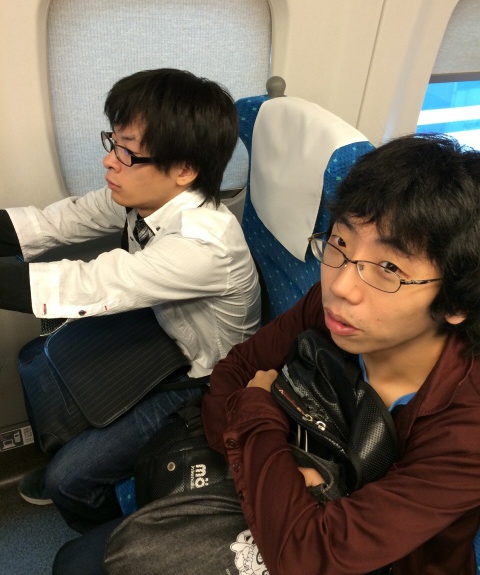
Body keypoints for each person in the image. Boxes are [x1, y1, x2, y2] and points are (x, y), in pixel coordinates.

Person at [53, 133, 480, 575]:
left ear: (456, 302)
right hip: (279, 493)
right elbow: (233, 371)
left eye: (389, 268)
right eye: (340, 243)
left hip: (376, 561)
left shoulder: (466, 426)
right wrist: (283, 472)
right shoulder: (332, 310)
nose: (341, 286)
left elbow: (312, 557)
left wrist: (258, 408)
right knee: (80, 559)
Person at [0, 68, 261, 534]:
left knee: (69, 479)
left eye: (127, 151)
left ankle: (110, 536)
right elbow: (59, 221)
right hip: (163, 328)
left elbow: (93, 283)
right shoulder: (145, 198)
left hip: (205, 376)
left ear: (184, 169)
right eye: (113, 142)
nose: (109, 162)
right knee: (34, 359)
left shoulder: (203, 244)